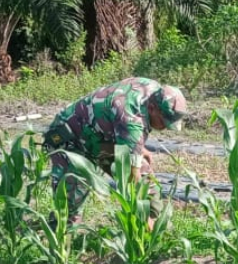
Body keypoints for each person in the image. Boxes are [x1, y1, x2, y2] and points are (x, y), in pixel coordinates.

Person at [42, 77, 187, 227]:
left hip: (101, 136)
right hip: (71, 138)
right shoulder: (132, 117)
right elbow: (130, 175)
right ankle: (57, 234)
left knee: (146, 181)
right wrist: (143, 214)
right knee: (70, 202)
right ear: (152, 108)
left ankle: (156, 227)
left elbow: (122, 123)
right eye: (163, 122)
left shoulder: (153, 89)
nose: (164, 127)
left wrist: (136, 146)